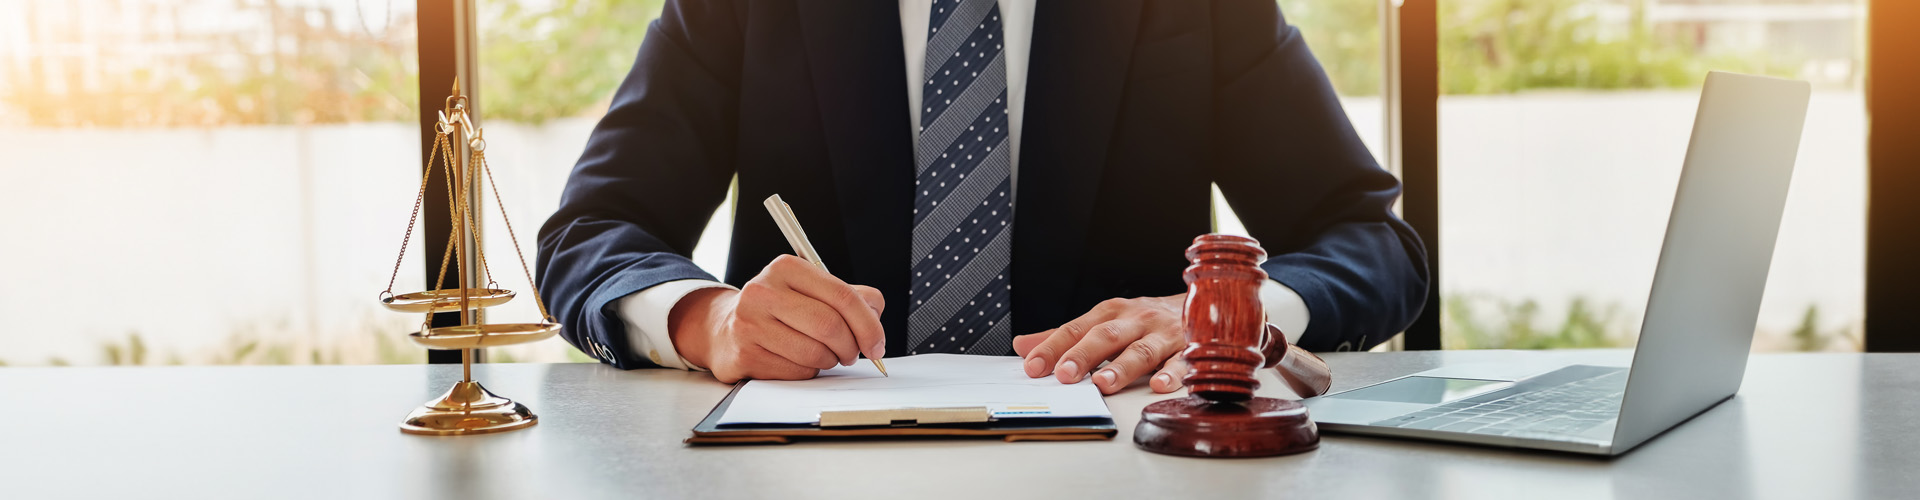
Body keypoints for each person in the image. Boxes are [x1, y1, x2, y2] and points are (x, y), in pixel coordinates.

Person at [536, 0, 1429, 395]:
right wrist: (708, 320)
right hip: (806, 471)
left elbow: (1372, 243)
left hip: (1123, 472)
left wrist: (1225, 314)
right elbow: (590, 233)